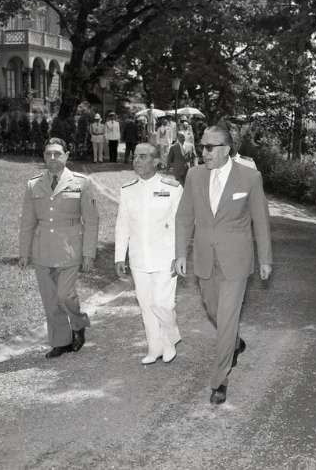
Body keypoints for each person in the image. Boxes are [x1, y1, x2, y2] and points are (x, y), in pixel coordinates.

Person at [175, 125, 273, 405]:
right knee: (213, 310)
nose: (203, 152)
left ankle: (220, 381)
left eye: (210, 147)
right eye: (202, 146)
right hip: (205, 257)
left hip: (236, 260)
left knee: (227, 317)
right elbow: (184, 217)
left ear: (226, 149)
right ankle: (234, 342)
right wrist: (180, 253)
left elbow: (261, 221)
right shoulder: (194, 176)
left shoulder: (250, 177)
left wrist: (265, 258)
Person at [18, 138, 99, 358]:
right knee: (50, 300)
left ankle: (78, 323)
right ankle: (61, 341)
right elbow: (27, 221)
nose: (52, 158)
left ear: (67, 155)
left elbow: (92, 221)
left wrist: (88, 253)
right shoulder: (33, 185)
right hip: (43, 250)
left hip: (70, 249)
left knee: (64, 295)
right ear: (44, 157)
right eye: (48, 154)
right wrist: (24, 252)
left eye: (57, 153)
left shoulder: (82, 183)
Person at [115, 143, 183, 365]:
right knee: (145, 305)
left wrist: (179, 255)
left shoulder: (172, 188)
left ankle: (170, 340)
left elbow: (180, 225)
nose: (136, 160)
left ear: (156, 161)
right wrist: (119, 256)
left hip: (166, 257)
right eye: (135, 156)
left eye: (143, 157)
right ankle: (155, 348)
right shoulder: (127, 189)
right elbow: (122, 224)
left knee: (163, 304)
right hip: (139, 257)